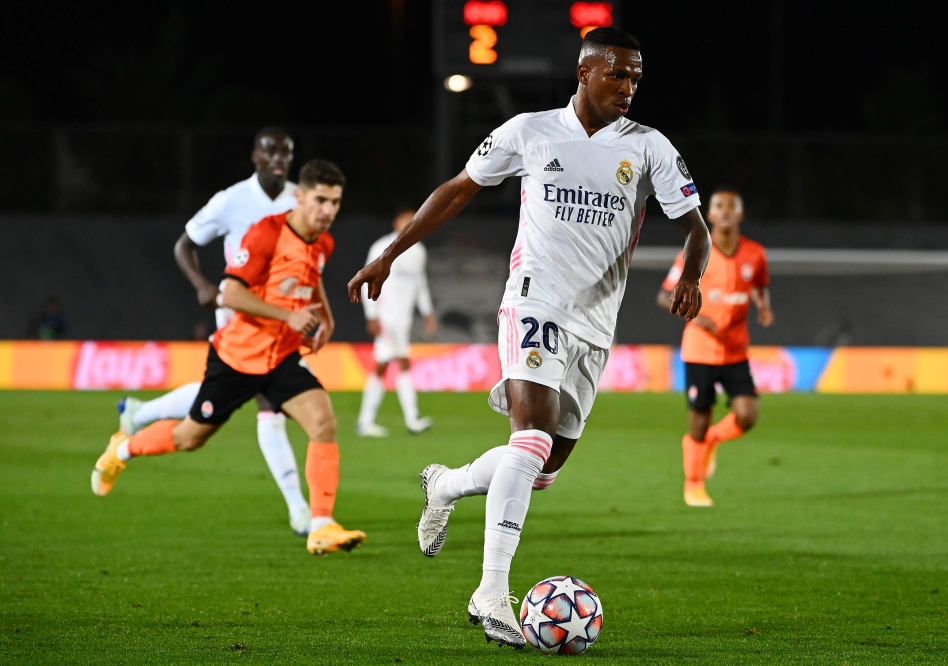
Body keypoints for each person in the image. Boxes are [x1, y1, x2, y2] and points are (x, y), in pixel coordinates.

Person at [348, 27, 710, 648]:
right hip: (533, 302)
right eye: (617, 75)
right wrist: (390, 253)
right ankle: (491, 592)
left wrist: (692, 275)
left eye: (635, 79)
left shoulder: (649, 147)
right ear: (585, 72)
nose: (628, 88)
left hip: (596, 325)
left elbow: (695, 226)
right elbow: (460, 189)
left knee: (541, 467)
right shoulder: (529, 130)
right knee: (531, 435)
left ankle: (447, 483)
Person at [92, 160, 366, 555]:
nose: (328, 210)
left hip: (282, 357)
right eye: (320, 200)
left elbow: (312, 276)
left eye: (335, 202)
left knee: (323, 422)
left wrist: (326, 316)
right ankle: (122, 449)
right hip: (237, 358)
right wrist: (290, 315)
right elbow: (230, 293)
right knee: (189, 438)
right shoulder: (266, 233)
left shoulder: (323, 242)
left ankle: (320, 525)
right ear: (301, 196)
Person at [116, 128, 312, 536]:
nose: (279, 156)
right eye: (271, 150)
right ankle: (300, 510)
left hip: (283, 318)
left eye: (287, 151)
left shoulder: (301, 198)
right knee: (269, 405)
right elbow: (183, 245)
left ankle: (141, 413)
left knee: (224, 395)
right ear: (254, 155)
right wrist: (204, 286)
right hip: (242, 317)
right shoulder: (231, 200)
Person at [657, 187, 773, 508]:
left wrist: (763, 306)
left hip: (735, 350)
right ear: (708, 214)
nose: (724, 212)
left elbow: (760, 284)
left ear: (740, 215)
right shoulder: (694, 254)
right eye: (718, 206)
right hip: (699, 351)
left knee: (747, 415)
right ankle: (694, 484)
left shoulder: (755, 254)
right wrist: (696, 316)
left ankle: (712, 441)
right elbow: (664, 295)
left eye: (731, 207)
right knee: (698, 420)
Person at [357, 207, 437, 437]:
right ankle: (412, 419)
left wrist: (427, 312)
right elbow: (366, 279)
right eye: (404, 220)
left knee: (381, 367)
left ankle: (365, 421)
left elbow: (420, 284)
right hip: (386, 317)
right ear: (395, 223)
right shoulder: (381, 246)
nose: (408, 223)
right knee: (403, 363)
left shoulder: (418, 250)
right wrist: (371, 314)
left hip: (403, 319)